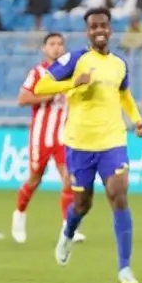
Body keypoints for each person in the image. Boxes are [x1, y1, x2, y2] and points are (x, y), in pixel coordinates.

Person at [32, 8, 142, 283]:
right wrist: (73, 82)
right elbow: (40, 87)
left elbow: (124, 94)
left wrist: (137, 120)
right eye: (93, 26)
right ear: (87, 31)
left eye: (103, 25)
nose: (99, 30)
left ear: (110, 29)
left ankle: (124, 267)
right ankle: (68, 234)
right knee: (82, 204)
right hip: (80, 145)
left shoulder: (119, 64)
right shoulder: (75, 59)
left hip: (112, 141)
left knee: (119, 193)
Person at [11, 32, 85, 245]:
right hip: (41, 137)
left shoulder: (71, 74)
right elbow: (22, 98)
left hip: (64, 136)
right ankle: (20, 213)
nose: (56, 48)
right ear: (44, 49)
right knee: (35, 179)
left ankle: (67, 227)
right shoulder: (37, 72)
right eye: (52, 44)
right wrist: (48, 96)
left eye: (60, 44)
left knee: (69, 179)